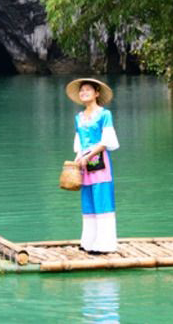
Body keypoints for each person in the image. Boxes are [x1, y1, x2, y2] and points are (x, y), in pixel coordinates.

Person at [67, 78, 120, 253]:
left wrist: (88, 156)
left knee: (102, 200)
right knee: (88, 201)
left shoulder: (105, 115)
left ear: (97, 93)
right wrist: (78, 158)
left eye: (88, 90)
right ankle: (88, 242)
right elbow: (80, 143)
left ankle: (105, 244)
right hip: (84, 163)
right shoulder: (78, 118)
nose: (84, 93)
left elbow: (106, 142)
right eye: (82, 90)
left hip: (100, 162)